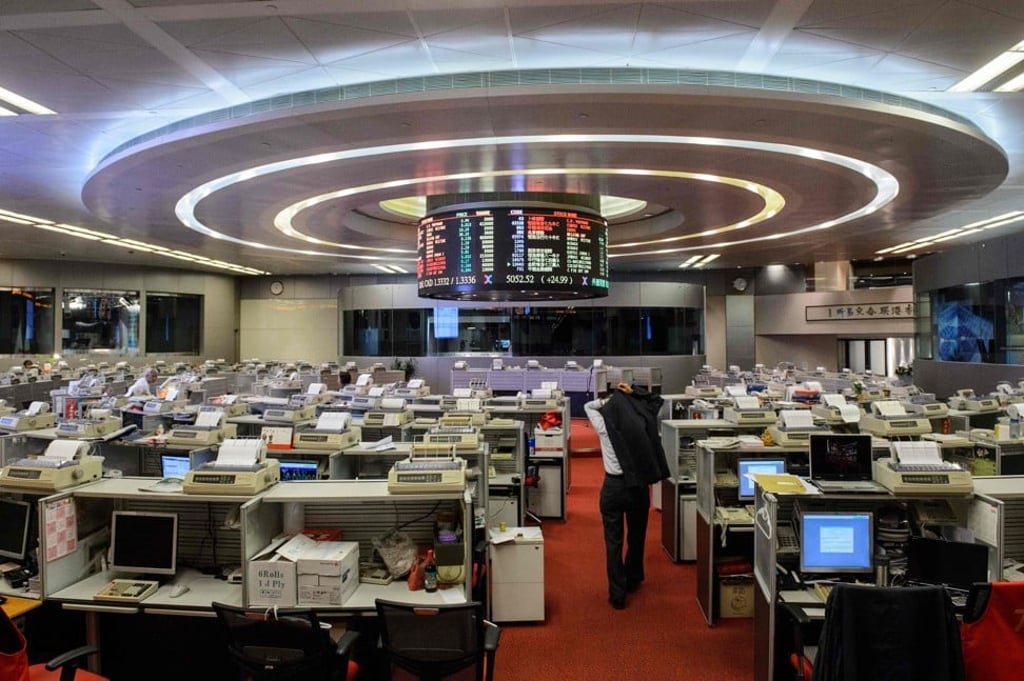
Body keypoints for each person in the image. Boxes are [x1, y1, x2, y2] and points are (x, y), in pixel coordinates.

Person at [585, 383, 669, 609]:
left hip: (612, 487)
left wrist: (607, 401)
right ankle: (632, 580)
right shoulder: (641, 421)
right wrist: (633, 392)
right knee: (637, 536)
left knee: (613, 542)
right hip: (638, 488)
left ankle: (617, 593)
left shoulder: (604, 424)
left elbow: (588, 406)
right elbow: (656, 400)